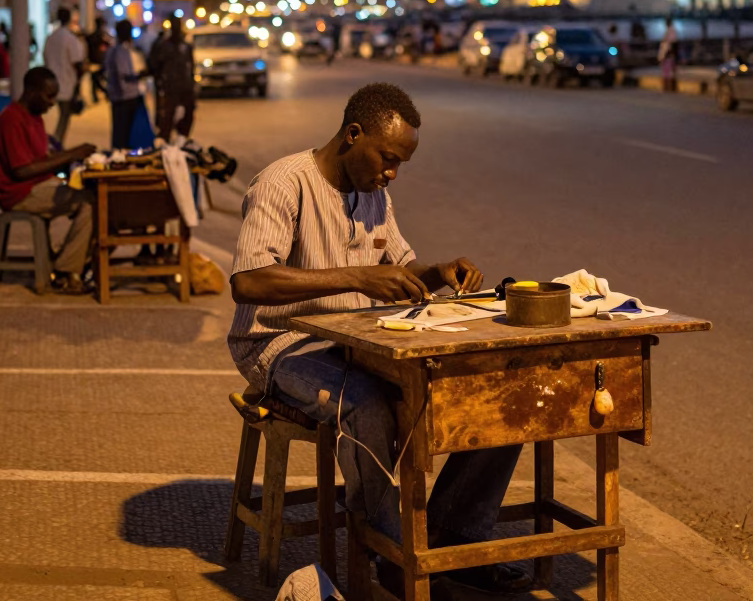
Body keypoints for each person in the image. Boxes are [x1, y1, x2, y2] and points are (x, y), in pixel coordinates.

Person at [227, 83, 530, 597]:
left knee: (491, 387)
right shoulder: (283, 183)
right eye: (387, 159)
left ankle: (453, 538)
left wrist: (436, 270)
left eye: (398, 165)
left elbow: (397, 268)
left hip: (355, 338)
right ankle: (391, 555)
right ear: (353, 134)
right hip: (279, 344)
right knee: (366, 403)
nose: (391, 174)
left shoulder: (373, 193)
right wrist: (358, 278)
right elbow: (249, 282)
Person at [0, 66, 97, 294]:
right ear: (31, 92)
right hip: (20, 193)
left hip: (36, 184)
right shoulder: (12, 119)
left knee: (95, 193)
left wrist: (72, 161)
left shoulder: (34, 118)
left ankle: (71, 262)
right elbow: (21, 171)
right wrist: (70, 155)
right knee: (90, 204)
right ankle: (68, 271)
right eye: (48, 96)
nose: (52, 103)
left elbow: (43, 159)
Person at [42, 7, 86, 146]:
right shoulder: (70, 38)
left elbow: (45, 58)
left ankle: (56, 142)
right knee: (64, 117)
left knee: (62, 115)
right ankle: (56, 143)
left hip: (51, 82)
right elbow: (77, 62)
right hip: (66, 83)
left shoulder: (51, 38)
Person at [149, 15, 195, 143]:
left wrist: (192, 83)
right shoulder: (163, 45)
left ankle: (182, 137)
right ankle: (165, 139)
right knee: (167, 116)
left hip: (184, 86)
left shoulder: (185, 45)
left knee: (188, 113)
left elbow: (191, 66)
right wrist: (159, 81)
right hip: (169, 86)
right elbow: (155, 65)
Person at [104, 19, 145, 149]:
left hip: (118, 97)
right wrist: (141, 75)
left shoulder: (112, 51)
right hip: (126, 97)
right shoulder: (121, 51)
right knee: (125, 135)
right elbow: (124, 74)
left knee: (120, 133)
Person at [86, 18, 112, 103]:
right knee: (98, 79)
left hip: (94, 60)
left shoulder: (93, 36)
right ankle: (105, 93)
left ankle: (97, 96)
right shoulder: (101, 36)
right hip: (100, 61)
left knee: (95, 79)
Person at [658, 17, 678, 92]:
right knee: (669, 71)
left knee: (668, 71)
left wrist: (666, 54)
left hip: (668, 54)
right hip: (668, 53)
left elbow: (672, 43)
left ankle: (669, 87)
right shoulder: (670, 30)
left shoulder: (670, 31)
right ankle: (669, 87)